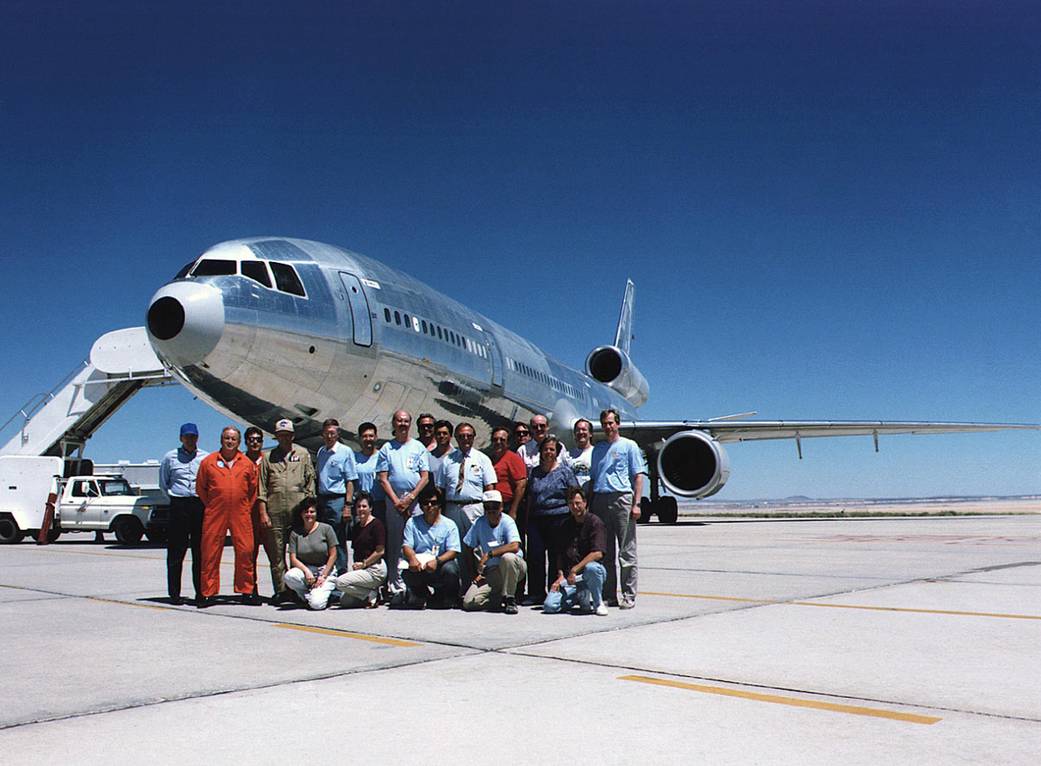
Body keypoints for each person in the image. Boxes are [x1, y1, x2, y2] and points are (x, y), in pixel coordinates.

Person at [196, 426, 260, 607]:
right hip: (216, 511)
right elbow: (201, 488)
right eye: (226, 438)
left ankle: (246, 591)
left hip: (240, 511)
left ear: (239, 442)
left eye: (233, 439)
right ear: (221, 440)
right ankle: (207, 593)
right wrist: (212, 504)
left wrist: (245, 506)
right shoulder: (208, 462)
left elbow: (253, 490)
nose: (229, 441)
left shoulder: (246, 463)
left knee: (245, 551)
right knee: (210, 552)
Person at [589, 408, 647, 609]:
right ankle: (609, 595)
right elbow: (594, 477)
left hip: (622, 498)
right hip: (600, 499)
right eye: (605, 423)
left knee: (626, 551)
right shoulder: (598, 449)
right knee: (605, 552)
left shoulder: (629, 446)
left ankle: (629, 595)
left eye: (611, 423)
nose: (608, 427)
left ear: (618, 424)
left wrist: (636, 503)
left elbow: (638, 475)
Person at [257, 419, 316, 603]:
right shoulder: (268, 458)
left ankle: (298, 590)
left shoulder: (303, 454)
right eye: (280, 435)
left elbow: (310, 483)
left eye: (287, 435)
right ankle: (281, 591)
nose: (284, 438)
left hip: (297, 512)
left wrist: (308, 511)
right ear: (276, 437)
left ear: (292, 435)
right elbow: (262, 489)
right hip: (275, 512)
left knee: (298, 554)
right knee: (277, 554)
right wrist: (263, 513)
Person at [437, 421, 497, 592]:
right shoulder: (448, 460)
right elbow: (440, 488)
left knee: (478, 548)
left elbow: (490, 487)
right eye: (461, 436)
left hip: (475, 507)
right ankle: (462, 588)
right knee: (457, 549)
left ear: (473, 437)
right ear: (456, 437)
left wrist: (489, 511)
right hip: (453, 508)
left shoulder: (482, 459)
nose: (465, 439)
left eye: (469, 436)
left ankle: (483, 587)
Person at [376, 410, 430, 597]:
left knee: (416, 542)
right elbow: (383, 478)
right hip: (394, 501)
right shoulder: (387, 448)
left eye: (406, 421)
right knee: (395, 543)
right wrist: (397, 501)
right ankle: (394, 585)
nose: (403, 424)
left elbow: (424, 477)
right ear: (393, 423)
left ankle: (417, 585)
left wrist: (411, 497)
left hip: (414, 502)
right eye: (399, 421)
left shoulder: (418, 447)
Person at [525, 434, 578, 605]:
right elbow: (530, 496)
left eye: (551, 449)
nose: (548, 452)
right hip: (537, 519)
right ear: (540, 452)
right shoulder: (535, 472)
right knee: (535, 557)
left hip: (559, 519)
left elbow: (574, 494)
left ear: (556, 452)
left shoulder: (565, 472)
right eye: (545, 449)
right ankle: (535, 593)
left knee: (557, 558)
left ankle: (554, 591)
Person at [160, 422, 208, 606]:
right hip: (178, 505)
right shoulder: (170, 457)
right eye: (187, 436)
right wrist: (175, 499)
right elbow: (164, 483)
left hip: (198, 504)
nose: (190, 439)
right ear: (181, 438)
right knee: (176, 552)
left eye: (193, 436)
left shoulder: (204, 457)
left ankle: (201, 594)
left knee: (200, 552)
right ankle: (174, 594)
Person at [543, 487, 608, 616]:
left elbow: (598, 553)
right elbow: (560, 554)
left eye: (578, 503)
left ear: (585, 503)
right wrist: (561, 575)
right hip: (571, 579)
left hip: (589, 575)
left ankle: (597, 602)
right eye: (571, 503)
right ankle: (579, 596)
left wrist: (575, 569)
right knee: (550, 606)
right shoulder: (565, 525)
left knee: (592, 568)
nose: (575, 506)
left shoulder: (595, 522)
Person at [462, 490, 525, 614]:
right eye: (487, 507)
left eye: (495, 506)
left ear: (501, 507)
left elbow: (515, 546)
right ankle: (497, 598)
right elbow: (468, 546)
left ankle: (510, 599)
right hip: (491, 572)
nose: (491, 510)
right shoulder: (479, 523)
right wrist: (474, 573)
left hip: (513, 568)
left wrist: (490, 554)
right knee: (469, 603)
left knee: (508, 558)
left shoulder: (507, 521)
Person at [400, 485, 460, 608]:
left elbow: (453, 551)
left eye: (433, 503)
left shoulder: (450, 524)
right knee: (406, 571)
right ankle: (423, 595)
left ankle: (448, 597)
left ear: (439, 505)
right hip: (420, 565)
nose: (429, 506)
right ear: (421, 506)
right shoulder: (412, 522)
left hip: (440, 564)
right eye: (425, 503)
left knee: (451, 569)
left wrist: (437, 561)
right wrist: (412, 559)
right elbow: (406, 545)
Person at [315, 418, 357, 573]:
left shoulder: (345, 451)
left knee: (338, 540)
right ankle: (327, 572)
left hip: (337, 500)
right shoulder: (321, 452)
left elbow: (350, 480)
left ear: (338, 434)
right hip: (322, 500)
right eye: (326, 433)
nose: (329, 436)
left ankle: (341, 573)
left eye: (332, 433)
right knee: (324, 539)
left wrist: (347, 505)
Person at [283, 497, 339, 610]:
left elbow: (333, 555)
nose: (309, 514)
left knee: (317, 605)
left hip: (325, 570)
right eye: (306, 512)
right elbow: (293, 558)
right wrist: (307, 572)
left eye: (312, 511)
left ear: (317, 513)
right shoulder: (295, 533)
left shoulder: (326, 529)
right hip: (307, 570)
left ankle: (322, 595)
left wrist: (323, 576)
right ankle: (307, 595)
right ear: (301, 514)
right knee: (289, 576)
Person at [334, 493, 386, 607]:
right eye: (358, 506)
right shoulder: (356, 527)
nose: (361, 509)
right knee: (345, 601)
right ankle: (372, 595)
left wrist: (364, 564)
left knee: (340, 582)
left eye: (364, 506)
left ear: (371, 508)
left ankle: (371, 593)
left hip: (375, 569)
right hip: (362, 570)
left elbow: (380, 551)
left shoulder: (377, 525)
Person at [243, 426, 266, 599]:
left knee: (276, 555)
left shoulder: (268, 460)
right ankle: (250, 589)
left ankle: (283, 591)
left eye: (258, 439)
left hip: (267, 514)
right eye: (251, 439)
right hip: (248, 515)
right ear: (246, 442)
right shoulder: (240, 461)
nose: (255, 442)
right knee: (249, 555)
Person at [489, 426, 527, 521]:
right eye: (495, 439)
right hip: (492, 506)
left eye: (502, 440)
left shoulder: (513, 458)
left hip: (508, 506)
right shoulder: (489, 459)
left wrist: (513, 511)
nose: (498, 442)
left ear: (508, 443)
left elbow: (521, 485)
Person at [352, 422, 385, 521]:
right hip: (360, 504)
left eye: (371, 436)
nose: (368, 439)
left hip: (378, 504)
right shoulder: (354, 458)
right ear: (359, 438)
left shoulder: (383, 457)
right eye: (364, 436)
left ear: (376, 437)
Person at [563, 418, 595, 490]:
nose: (581, 432)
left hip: (593, 496)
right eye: (578, 430)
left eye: (584, 429)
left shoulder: (596, 453)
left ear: (590, 434)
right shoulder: (567, 455)